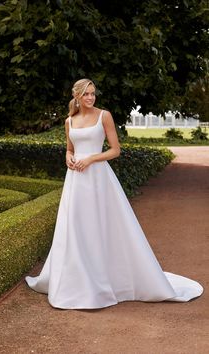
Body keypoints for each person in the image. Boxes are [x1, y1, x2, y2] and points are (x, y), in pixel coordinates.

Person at [25, 78, 203, 309]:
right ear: (77, 96)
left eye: (93, 93)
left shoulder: (104, 116)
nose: (91, 97)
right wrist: (69, 157)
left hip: (98, 178)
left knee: (101, 225)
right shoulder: (70, 121)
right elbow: (69, 149)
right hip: (76, 181)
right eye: (86, 94)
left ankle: (105, 279)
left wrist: (90, 158)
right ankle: (77, 281)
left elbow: (115, 150)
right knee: (75, 227)